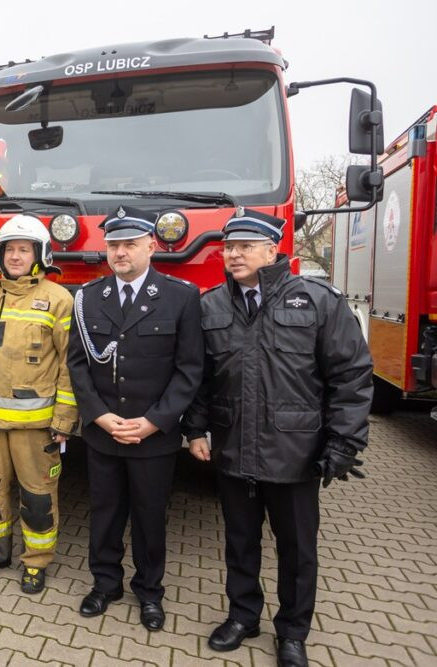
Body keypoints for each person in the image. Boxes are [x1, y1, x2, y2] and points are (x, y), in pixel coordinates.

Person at [182, 209, 372, 667]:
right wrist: (194, 429)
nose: (234, 254)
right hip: (231, 448)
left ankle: (292, 631)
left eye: (246, 246)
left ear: (273, 250)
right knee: (240, 542)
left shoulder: (317, 300)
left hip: (295, 453)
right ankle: (243, 616)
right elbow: (198, 378)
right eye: (229, 246)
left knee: (297, 550)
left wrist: (344, 443)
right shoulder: (211, 306)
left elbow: (351, 375)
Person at [66, 207, 203, 630]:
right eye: (113, 245)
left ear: (151, 245)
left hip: (153, 436)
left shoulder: (182, 296)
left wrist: (155, 421)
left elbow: (191, 369)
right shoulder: (88, 297)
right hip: (104, 433)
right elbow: (77, 365)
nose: (120, 252)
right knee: (105, 513)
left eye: (129, 244)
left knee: (149, 517)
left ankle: (150, 592)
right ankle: (105, 584)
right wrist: (100, 417)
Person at [0, 215, 77, 594]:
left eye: (24, 249)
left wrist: (64, 419)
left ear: (39, 255)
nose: (15, 256)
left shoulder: (59, 300)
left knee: (38, 498)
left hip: (36, 427)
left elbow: (69, 366)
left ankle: (36, 562)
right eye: (9, 249)